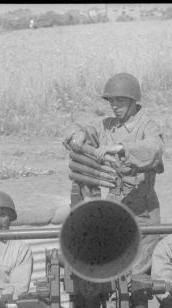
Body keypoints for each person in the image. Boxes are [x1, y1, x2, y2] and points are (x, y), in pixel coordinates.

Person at [64, 72, 164, 275]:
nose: (114, 105)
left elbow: (155, 149)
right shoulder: (107, 125)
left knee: (137, 273)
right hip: (114, 204)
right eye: (111, 101)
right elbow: (78, 127)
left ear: (133, 101)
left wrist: (120, 148)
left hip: (142, 208)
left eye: (120, 100)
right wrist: (79, 134)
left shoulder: (147, 125)